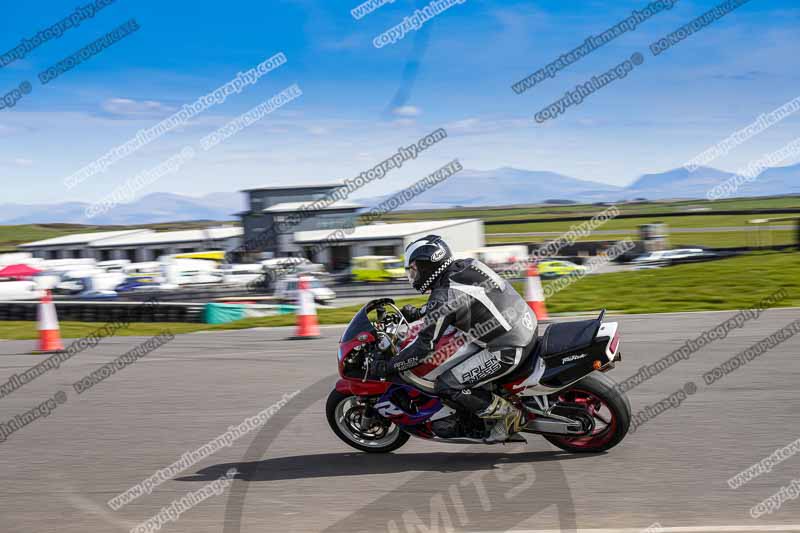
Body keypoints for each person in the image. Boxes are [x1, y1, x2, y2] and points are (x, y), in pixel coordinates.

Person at [368, 235, 538, 443]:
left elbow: (424, 347)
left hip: (508, 347)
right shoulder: (467, 265)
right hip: (525, 324)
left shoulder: (444, 294)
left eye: (414, 269)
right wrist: (420, 312)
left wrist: (389, 366)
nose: (413, 275)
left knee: (447, 385)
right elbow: (463, 300)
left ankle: (509, 415)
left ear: (428, 266)